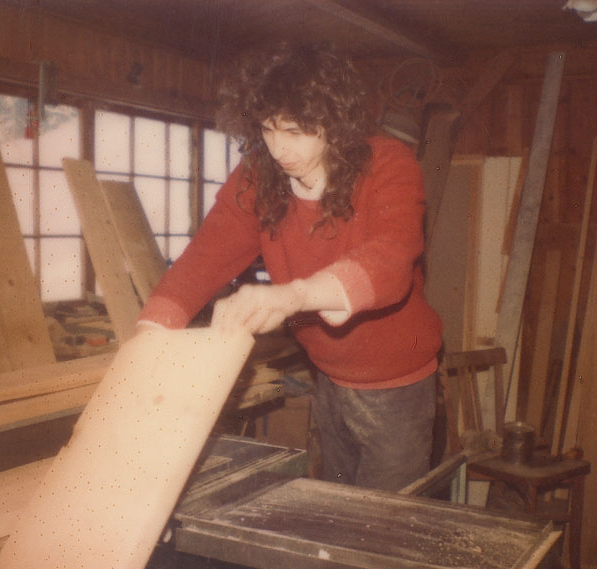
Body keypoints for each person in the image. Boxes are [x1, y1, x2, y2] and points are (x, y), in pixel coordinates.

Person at [137, 42, 442, 493]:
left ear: (334, 122)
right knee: (335, 510)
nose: (279, 148)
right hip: (328, 377)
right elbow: (205, 256)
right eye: (268, 129)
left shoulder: (388, 164)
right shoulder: (259, 177)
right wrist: (150, 333)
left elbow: (390, 260)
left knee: (382, 526)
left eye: (295, 131)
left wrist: (291, 296)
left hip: (399, 388)